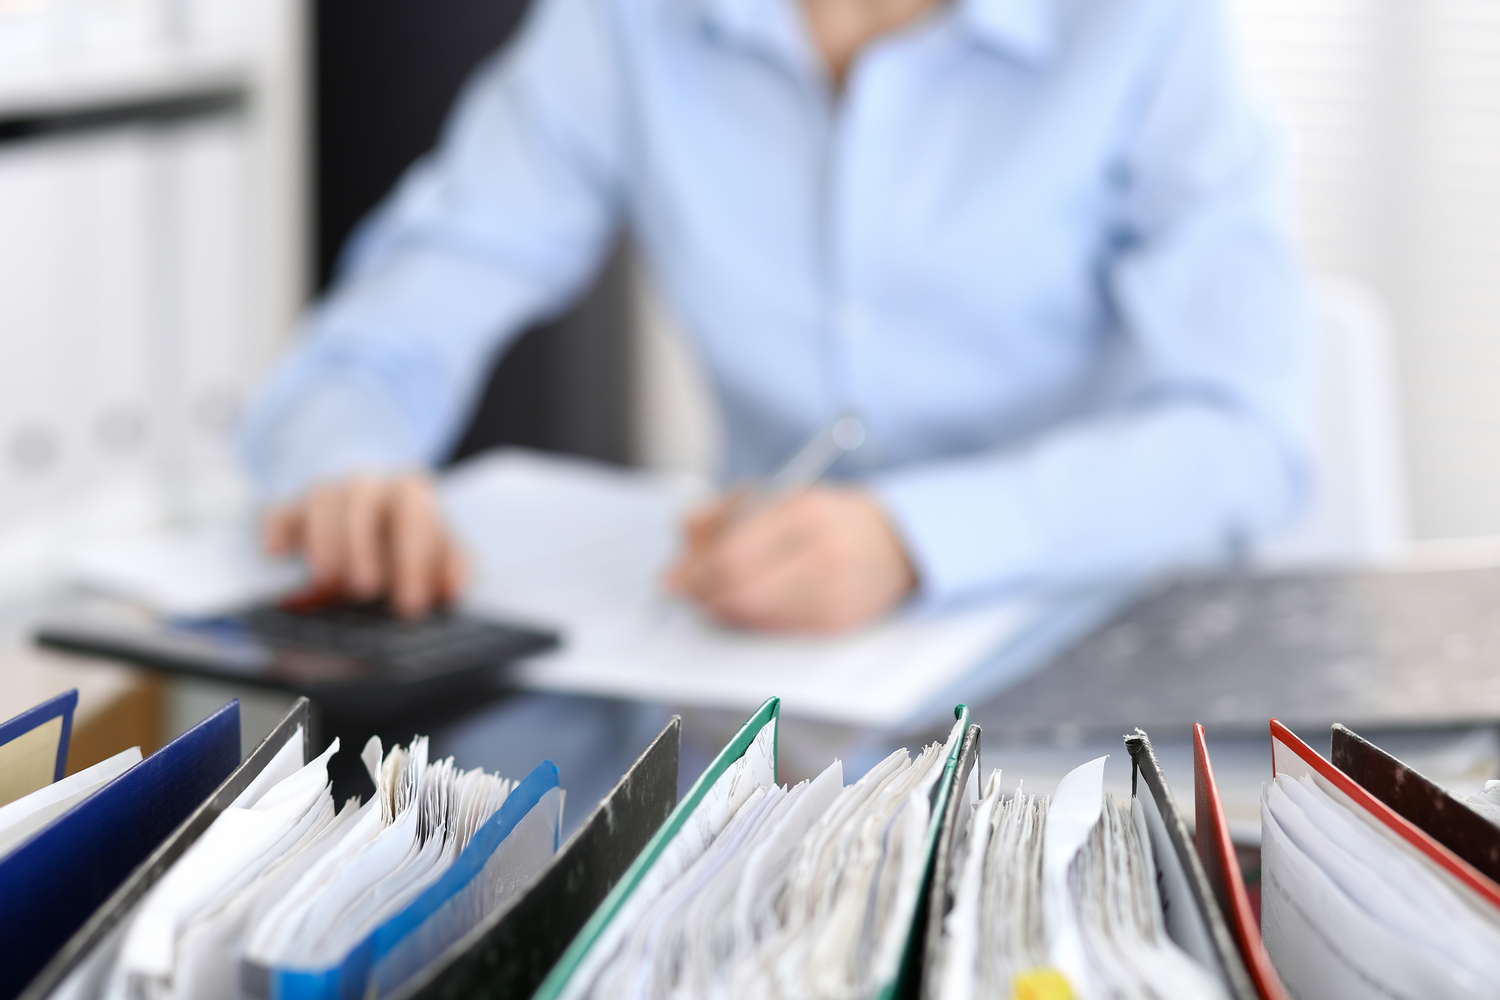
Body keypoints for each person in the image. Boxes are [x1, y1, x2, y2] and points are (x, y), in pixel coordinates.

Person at [241, 0, 1313, 637]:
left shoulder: (1148, 28)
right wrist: (349, 461)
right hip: (759, 672)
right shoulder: (626, 26)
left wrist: (913, 541)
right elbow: (396, 320)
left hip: (1079, 654)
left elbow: (1248, 434)